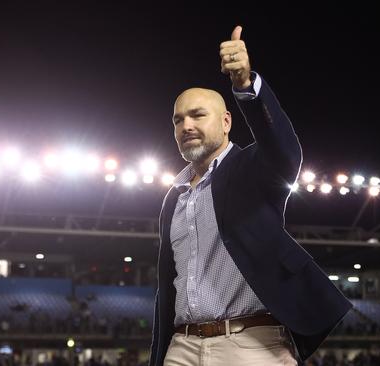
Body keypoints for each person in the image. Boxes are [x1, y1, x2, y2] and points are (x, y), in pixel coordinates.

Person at [149, 25, 352, 366]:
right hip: (182, 346)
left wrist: (245, 86)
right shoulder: (174, 197)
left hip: (251, 344)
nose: (186, 126)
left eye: (198, 115)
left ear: (226, 121)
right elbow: (167, 287)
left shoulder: (253, 169)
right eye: (178, 119)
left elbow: (285, 151)